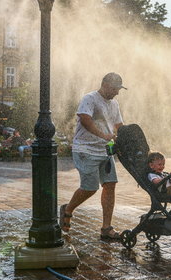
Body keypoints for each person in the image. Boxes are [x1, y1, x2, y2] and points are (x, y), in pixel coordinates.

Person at [60, 72, 126, 240]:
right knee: (90, 188)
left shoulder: (114, 104)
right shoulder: (90, 98)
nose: (117, 92)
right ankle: (68, 209)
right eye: (115, 88)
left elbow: (118, 125)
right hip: (85, 149)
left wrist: (126, 138)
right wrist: (103, 135)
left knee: (110, 184)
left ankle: (106, 228)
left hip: (104, 151)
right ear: (104, 85)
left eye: (118, 89)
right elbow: (85, 119)